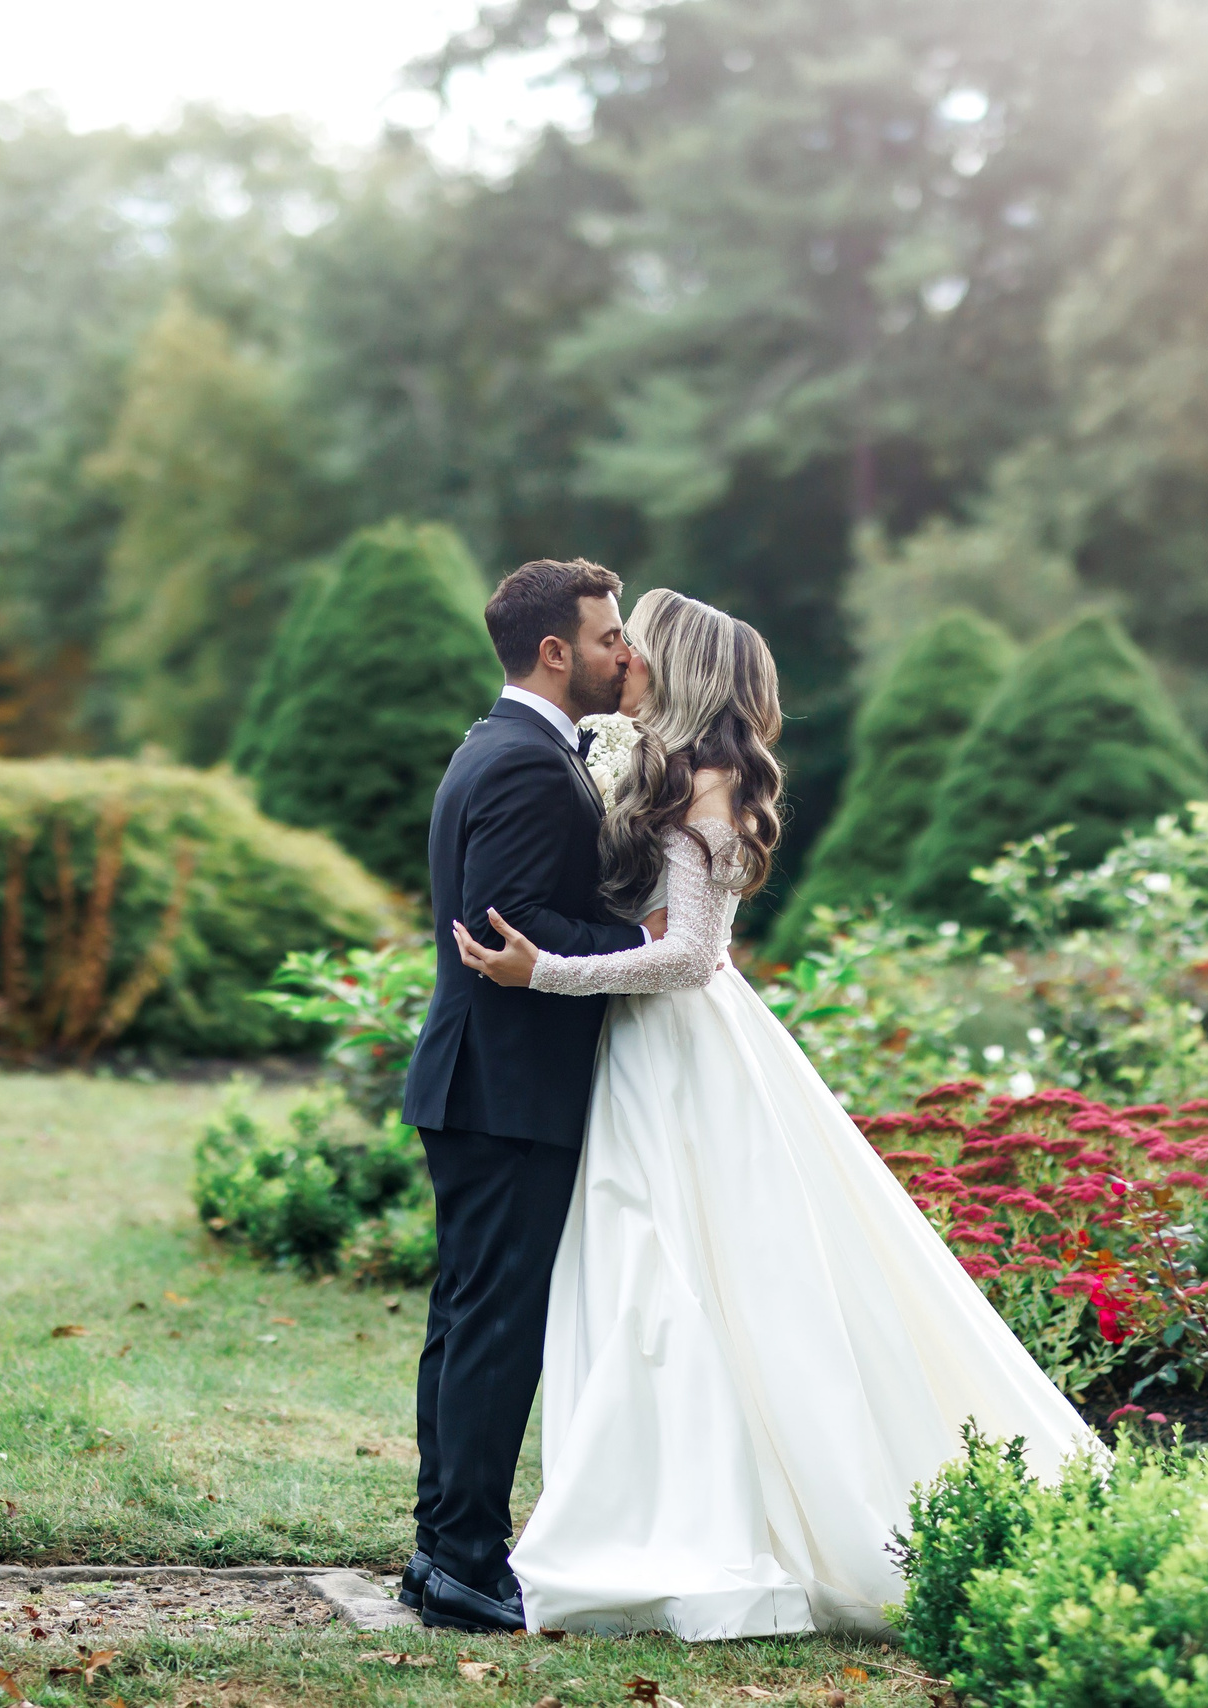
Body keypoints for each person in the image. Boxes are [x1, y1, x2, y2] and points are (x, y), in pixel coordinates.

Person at [451, 588, 1101, 1639]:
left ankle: (698, 1535)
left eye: (638, 641)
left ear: (679, 662)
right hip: (638, 1056)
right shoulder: (662, 763)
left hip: (682, 1056)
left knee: (681, 1283)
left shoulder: (709, 781)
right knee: (637, 1280)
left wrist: (546, 971)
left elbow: (693, 958)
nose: (624, 656)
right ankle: (652, 1514)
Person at [397, 558, 661, 1634]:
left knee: (469, 1319)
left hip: (482, 1083)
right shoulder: (521, 764)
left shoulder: (501, 747)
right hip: (504, 1085)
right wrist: (640, 942)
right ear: (554, 651)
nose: (622, 655)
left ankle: (439, 1551)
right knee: (493, 1325)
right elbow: (504, 920)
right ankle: (461, 1559)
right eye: (607, 638)